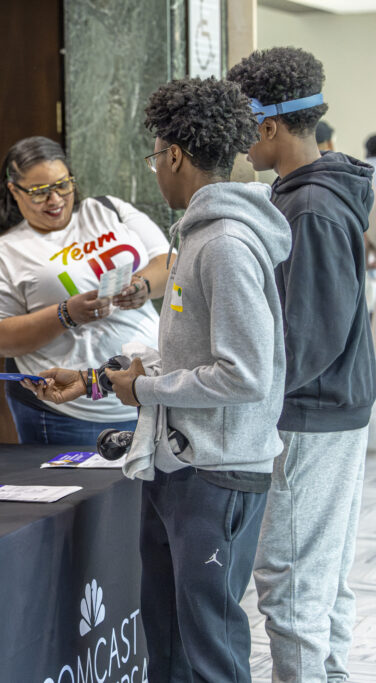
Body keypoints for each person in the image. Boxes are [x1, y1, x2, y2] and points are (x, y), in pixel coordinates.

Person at [32, 77, 290, 680]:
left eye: (155, 156)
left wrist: (143, 390)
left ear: (174, 155)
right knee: (169, 643)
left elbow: (244, 374)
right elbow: (186, 355)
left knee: (211, 651)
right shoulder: (197, 238)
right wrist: (100, 378)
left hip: (219, 474)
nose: (154, 170)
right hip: (179, 465)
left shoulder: (225, 243)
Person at [229, 47, 376, 682]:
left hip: (308, 419)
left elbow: (307, 340)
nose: (237, 142)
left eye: (242, 127)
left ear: (268, 126)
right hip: (333, 414)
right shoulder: (310, 194)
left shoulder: (309, 209)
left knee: (293, 593)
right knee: (321, 583)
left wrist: (236, 385)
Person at [0, 136, 170, 445]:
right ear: (14, 191)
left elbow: (168, 262)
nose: (55, 200)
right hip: (70, 411)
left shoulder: (108, 209)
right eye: (39, 192)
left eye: (63, 185)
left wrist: (142, 285)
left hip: (149, 391)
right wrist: (65, 315)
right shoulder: (5, 253)